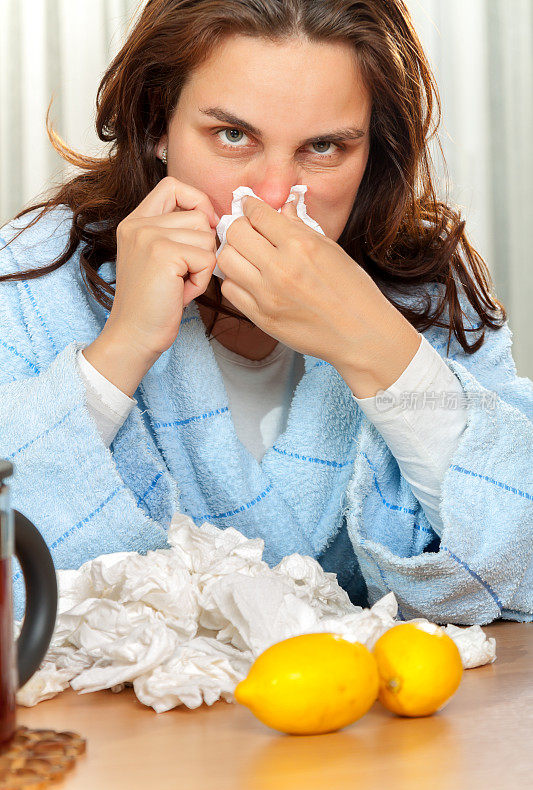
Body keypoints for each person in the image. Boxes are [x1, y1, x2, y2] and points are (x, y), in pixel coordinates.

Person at [1, 0, 531, 625]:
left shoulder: (425, 290)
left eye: (325, 147)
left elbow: (520, 555)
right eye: (232, 135)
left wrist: (380, 350)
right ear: (157, 127)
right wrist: (123, 348)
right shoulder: (33, 277)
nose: (276, 195)